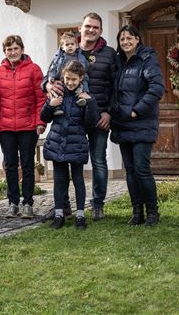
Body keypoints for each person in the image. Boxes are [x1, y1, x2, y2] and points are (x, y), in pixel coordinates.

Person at [45, 12, 117, 221]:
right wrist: (48, 84)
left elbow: (116, 86)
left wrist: (109, 112)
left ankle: (97, 205)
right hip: (69, 116)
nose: (91, 30)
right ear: (80, 28)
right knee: (63, 159)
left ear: (101, 31)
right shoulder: (66, 49)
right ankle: (64, 206)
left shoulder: (109, 54)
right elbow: (49, 75)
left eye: (95, 27)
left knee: (98, 160)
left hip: (97, 115)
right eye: (88, 26)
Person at [110, 25, 165, 226]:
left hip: (142, 122)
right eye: (122, 39)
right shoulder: (118, 62)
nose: (125, 42)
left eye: (129, 38)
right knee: (130, 170)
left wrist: (137, 110)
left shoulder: (147, 59)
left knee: (142, 168)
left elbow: (157, 87)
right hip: (123, 123)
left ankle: (152, 212)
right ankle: (137, 212)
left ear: (138, 39)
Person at [41, 60, 98, 230]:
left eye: (74, 79)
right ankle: (59, 214)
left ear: (81, 78)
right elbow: (44, 118)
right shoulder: (57, 94)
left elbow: (91, 123)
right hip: (58, 143)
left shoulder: (85, 96)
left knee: (78, 180)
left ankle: (80, 215)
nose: (70, 82)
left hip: (77, 144)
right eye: (67, 79)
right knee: (59, 181)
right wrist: (50, 106)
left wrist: (90, 103)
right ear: (63, 77)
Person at [0, 35, 46, 219]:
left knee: (27, 164)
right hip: (6, 126)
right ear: (5, 52)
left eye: (16, 48)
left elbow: (41, 98)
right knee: (10, 165)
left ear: (22, 50)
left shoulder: (34, 69)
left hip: (28, 126)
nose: (13, 52)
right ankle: (13, 203)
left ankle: (28, 203)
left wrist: (41, 122)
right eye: (9, 49)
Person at [46, 31, 91, 115]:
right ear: (62, 47)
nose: (70, 46)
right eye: (67, 45)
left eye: (72, 44)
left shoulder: (80, 57)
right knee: (57, 92)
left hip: (76, 80)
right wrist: (51, 76)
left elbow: (85, 67)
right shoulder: (59, 58)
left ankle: (81, 99)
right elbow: (53, 67)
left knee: (82, 87)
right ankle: (57, 107)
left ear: (77, 45)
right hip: (62, 80)